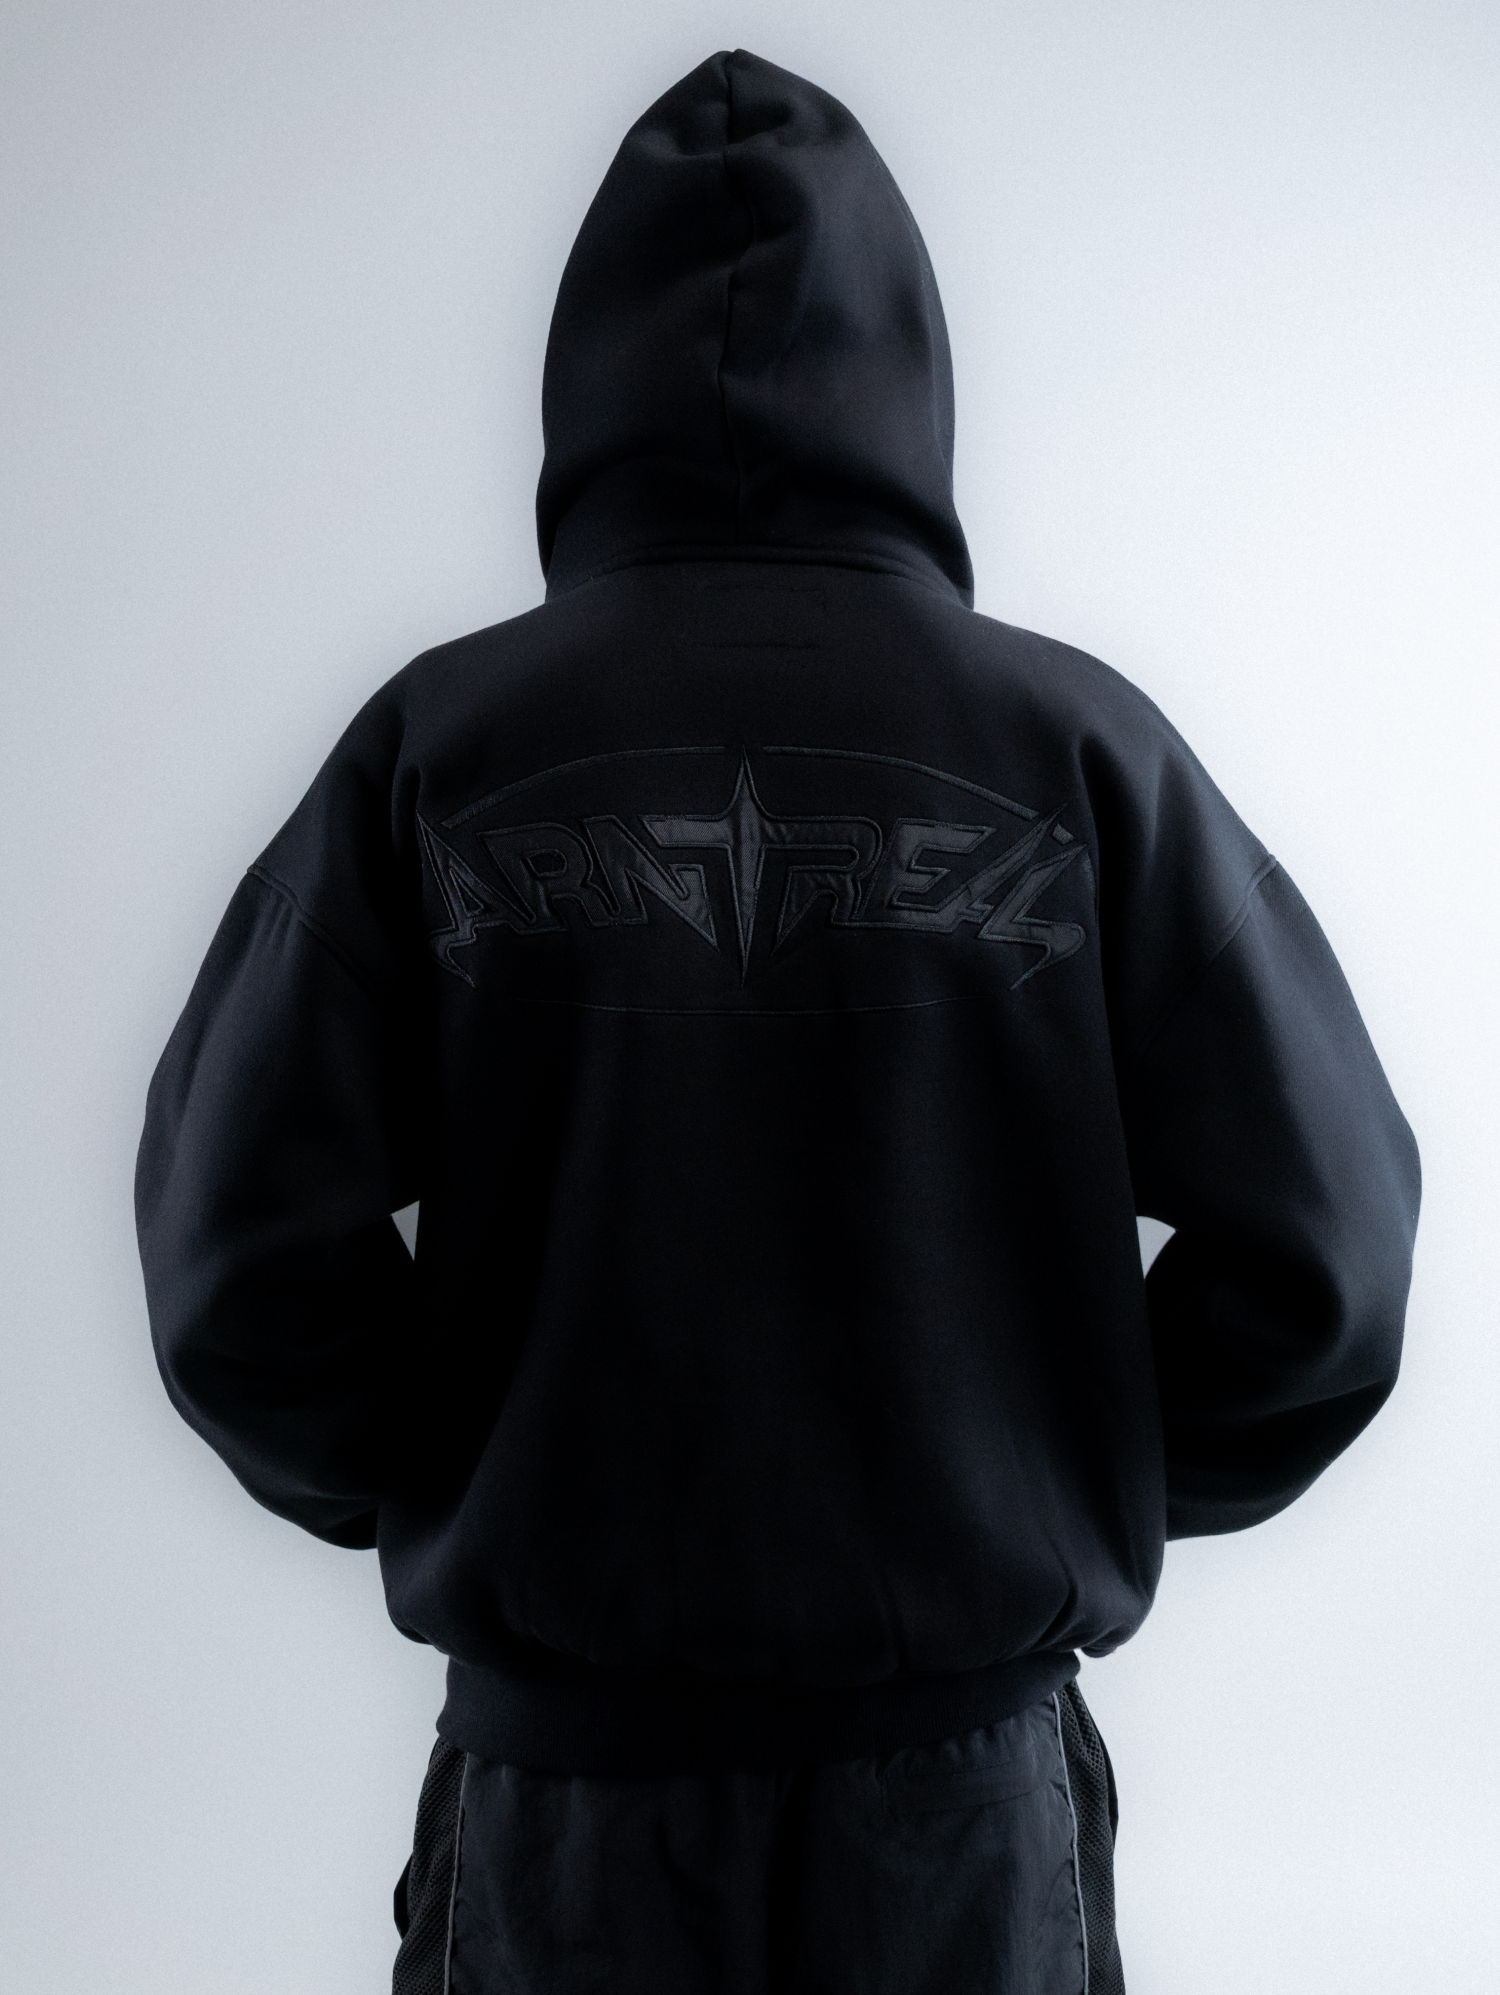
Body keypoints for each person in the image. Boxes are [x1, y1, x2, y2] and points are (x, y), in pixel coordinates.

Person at [135, 48, 1420, 1995]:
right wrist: (1042, 1468)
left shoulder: (440, 747)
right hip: (963, 1812)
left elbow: (233, 1264)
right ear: (908, 371)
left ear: (584, 383)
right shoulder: (1081, 750)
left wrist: (479, 1476)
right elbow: (1333, 1256)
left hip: (567, 1810)